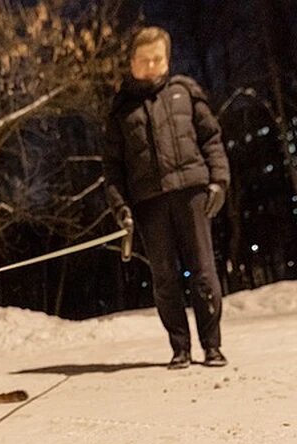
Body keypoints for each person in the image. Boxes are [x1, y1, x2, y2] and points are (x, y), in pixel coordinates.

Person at [103, 26, 230, 370]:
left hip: (192, 194)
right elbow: (113, 169)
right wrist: (122, 208)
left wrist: (219, 181)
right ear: (131, 63)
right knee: (165, 278)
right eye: (143, 60)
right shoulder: (119, 110)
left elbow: (212, 139)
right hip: (149, 203)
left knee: (204, 273)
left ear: (166, 59)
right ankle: (180, 348)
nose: (151, 66)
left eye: (157, 59)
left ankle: (212, 345)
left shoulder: (185, 92)